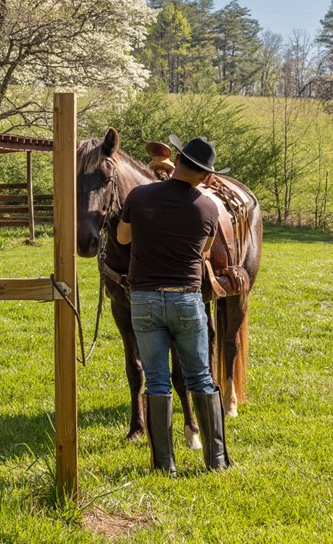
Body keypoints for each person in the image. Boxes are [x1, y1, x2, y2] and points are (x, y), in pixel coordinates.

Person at [117, 133, 231, 474]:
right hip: (186, 299)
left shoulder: (139, 195)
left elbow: (122, 238)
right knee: (200, 377)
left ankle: (163, 464)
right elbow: (205, 250)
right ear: (205, 175)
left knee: (155, 380)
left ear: (176, 161)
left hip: (144, 299)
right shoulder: (208, 206)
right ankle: (216, 460)